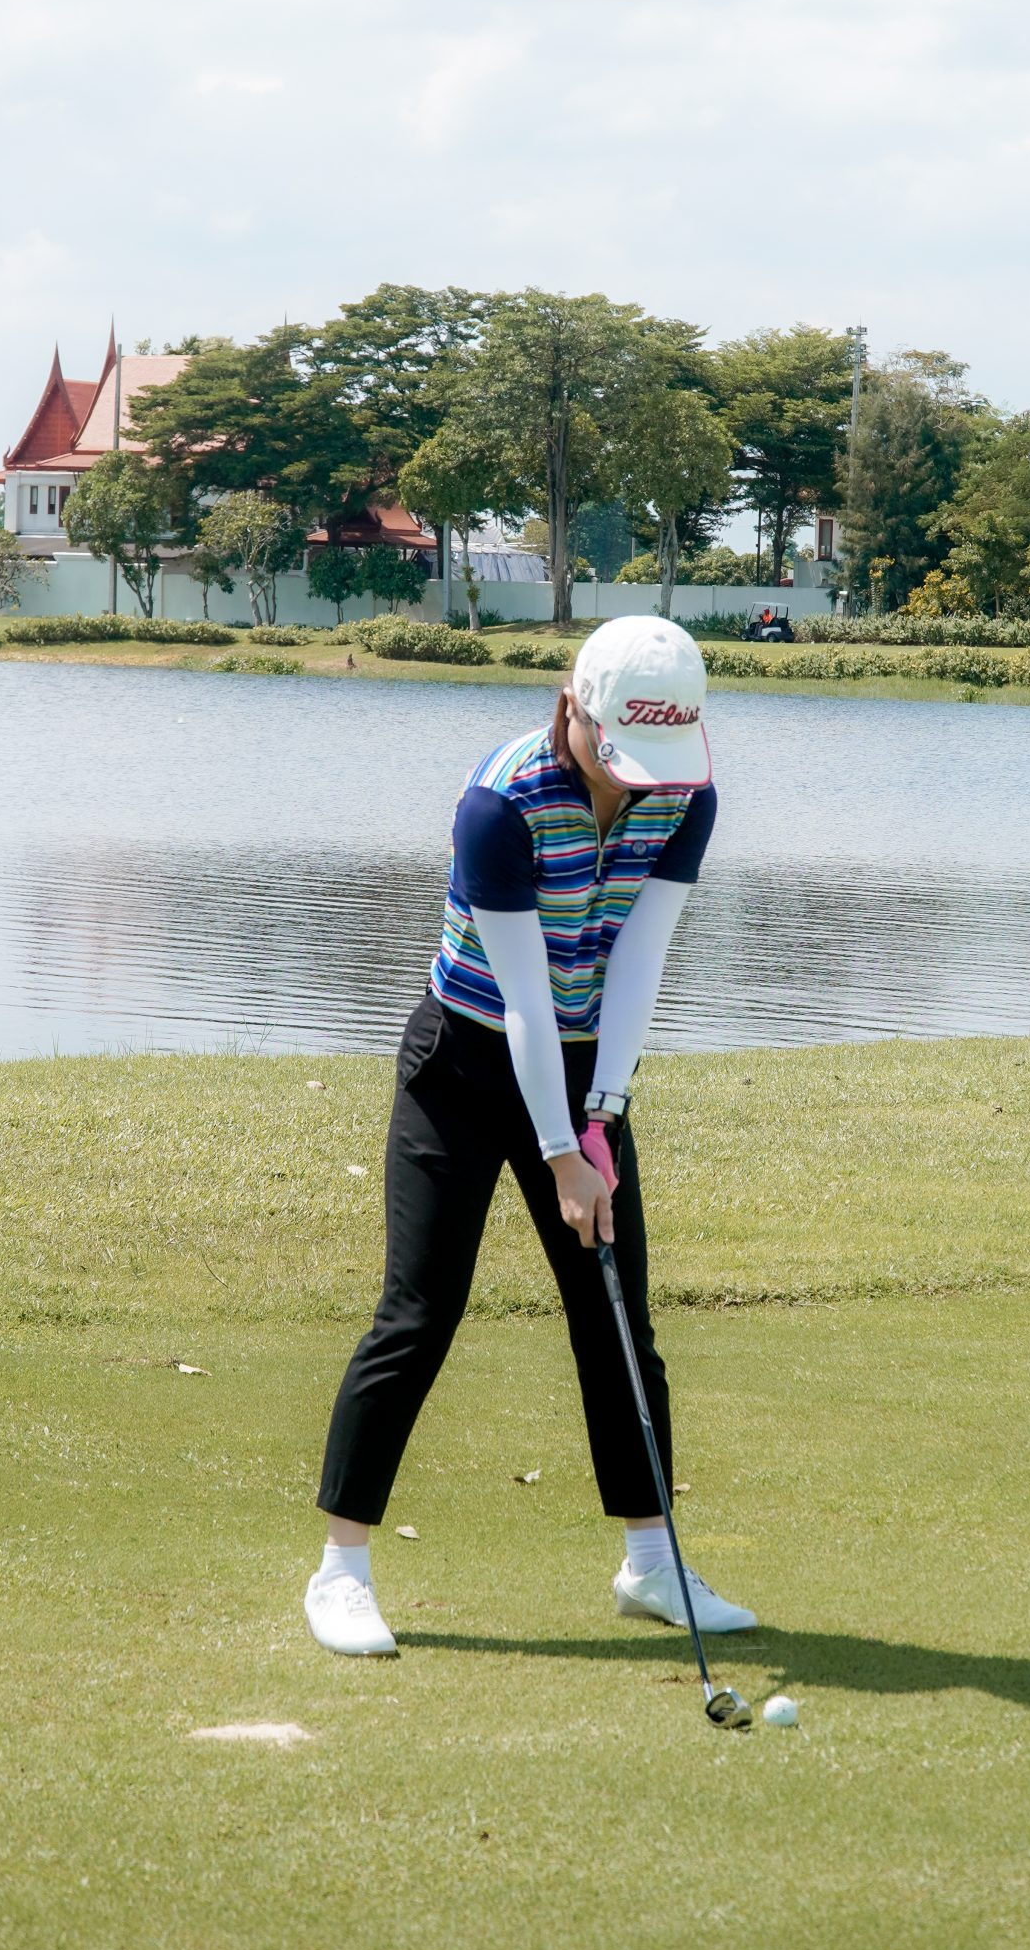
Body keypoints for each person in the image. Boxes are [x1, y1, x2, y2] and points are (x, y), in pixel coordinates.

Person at [305, 615, 756, 1656]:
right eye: (618, 752)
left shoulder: (685, 793)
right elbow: (522, 1001)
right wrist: (559, 1153)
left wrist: (601, 1118)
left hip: (587, 1064)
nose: (637, 781)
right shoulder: (499, 803)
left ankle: (652, 1564)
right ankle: (341, 1571)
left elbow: (639, 963)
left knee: (615, 1316)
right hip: (463, 1063)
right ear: (573, 709)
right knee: (419, 1311)